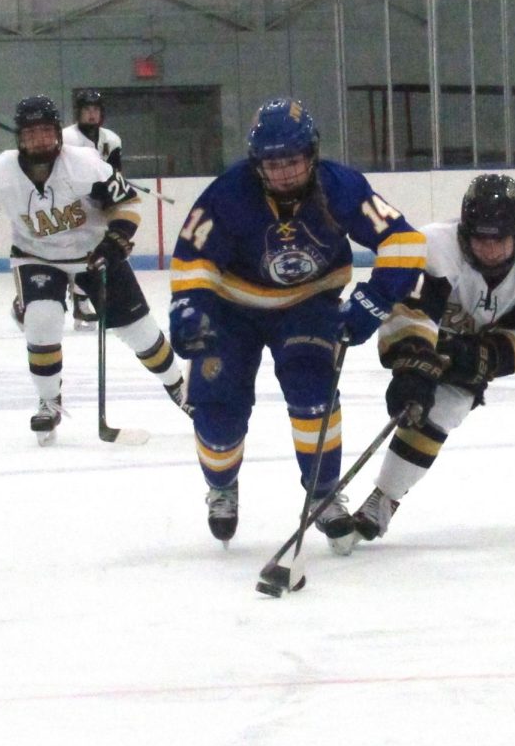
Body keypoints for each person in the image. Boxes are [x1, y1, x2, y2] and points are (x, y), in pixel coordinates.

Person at [167, 97, 426, 550]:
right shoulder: (229, 193)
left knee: (313, 397)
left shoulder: (340, 186)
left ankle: (325, 494)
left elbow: (403, 239)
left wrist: (376, 297)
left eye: (292, 160)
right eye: (273, 163)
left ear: (312, 155)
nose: (284, 172)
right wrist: (190, 305)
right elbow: (194, 257)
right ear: (257, 164)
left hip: (308, 304)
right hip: (233, 309)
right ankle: (222, 483)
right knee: (218, 413)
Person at [0, 94, 190, 444]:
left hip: (94, 254)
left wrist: (117, 239)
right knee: (42, 319)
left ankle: (180, 389)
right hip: (36, 257)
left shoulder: (85, 164)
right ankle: (49, 401)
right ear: (20, 139)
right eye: (31, 134)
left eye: (46, 132)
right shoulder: (1, 171)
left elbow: (127, 202)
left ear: (58, 134)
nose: (39, 140)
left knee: (140, 332)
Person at [339, 173, 515, 549]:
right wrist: (411, 366)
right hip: (465, 328)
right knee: (439, 407)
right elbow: (409, 313)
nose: (491, 250)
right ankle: (383, 498)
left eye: (500, 238)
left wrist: (484, 357)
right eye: (481, 238)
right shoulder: (434, 248)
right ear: (465, 232)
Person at [10, 89, 124, 331]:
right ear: (78, 113)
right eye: (87, 110)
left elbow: (115, 173)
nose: (92, 114)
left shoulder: (111, 140)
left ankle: (81, 300)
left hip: (94, 204)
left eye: (96, 110)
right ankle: (29, 299)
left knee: (93, 252)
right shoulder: (65, 137)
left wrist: (110, 189)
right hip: (66, 205)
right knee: (57, 255)